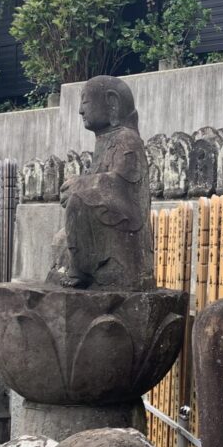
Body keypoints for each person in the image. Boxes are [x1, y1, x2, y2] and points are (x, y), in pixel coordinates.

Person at [45, 75, 154, 291]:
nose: (80, 111)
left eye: (85, 102)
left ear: (112, 102)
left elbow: (121, 186)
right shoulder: (105, 141)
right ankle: (73, 271)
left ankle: (82, 273)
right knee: (61, 237)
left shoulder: (127, 139)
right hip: (108, 222)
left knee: (79, 201)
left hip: (126, 227)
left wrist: (82, 185)